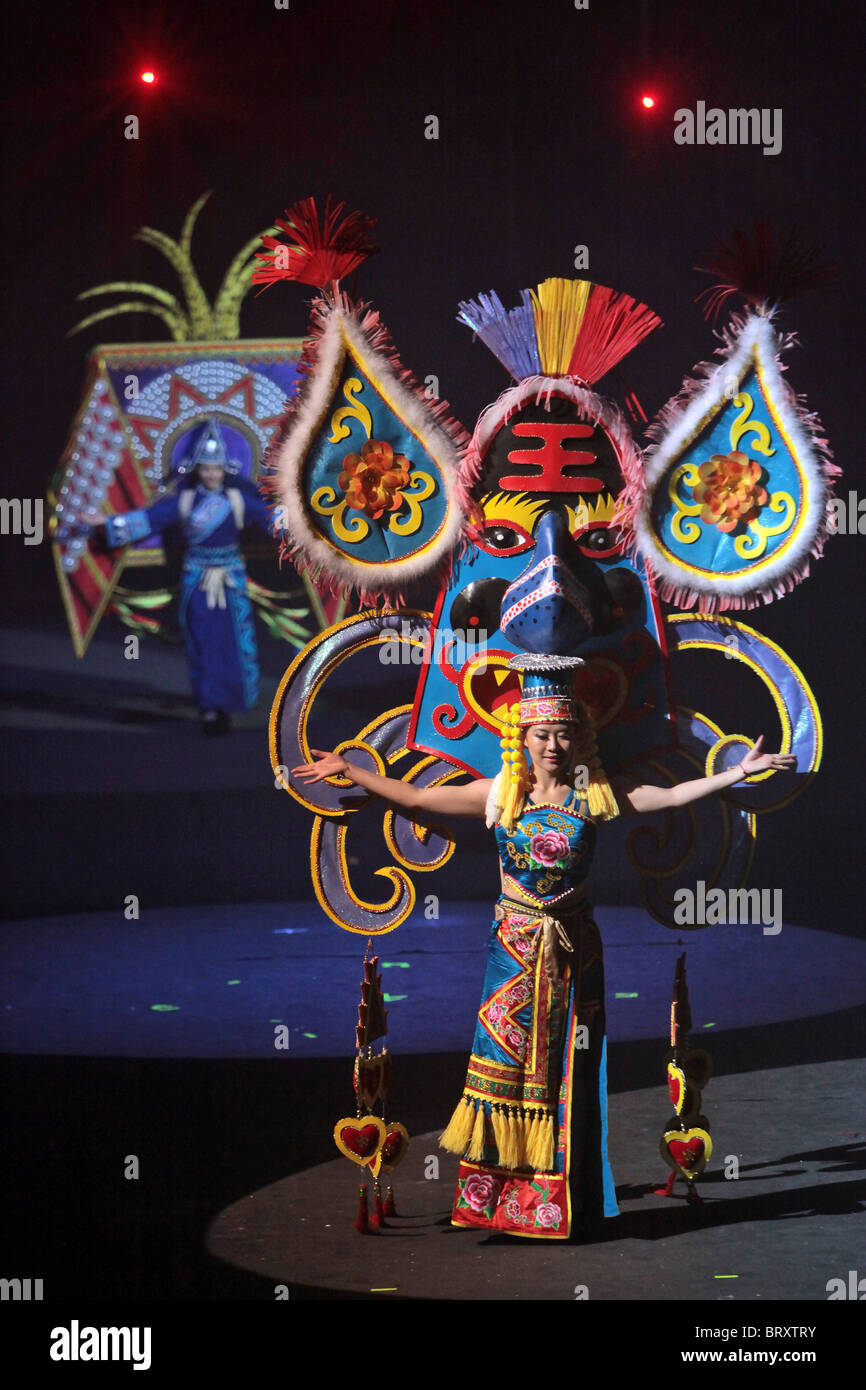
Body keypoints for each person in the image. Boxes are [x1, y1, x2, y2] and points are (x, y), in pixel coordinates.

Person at [293, 675, 794, 1241]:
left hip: (573, 953)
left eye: (563, 735)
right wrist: (352, 772)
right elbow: (415, 797)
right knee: (503, 1067)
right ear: (522, 740)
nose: (553, 745)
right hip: (513, 949)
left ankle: (558, 1197)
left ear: (579, 740)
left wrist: (738, 773)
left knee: (564, 1072)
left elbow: (673, 796)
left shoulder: (596, 795)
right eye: (542, 735)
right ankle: (496, 1198)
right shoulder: (500, 794)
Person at [99, 418, 272, 734]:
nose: (211, 474)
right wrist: (106, 525)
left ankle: (233, 701)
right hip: (197, 582)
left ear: (225, 470)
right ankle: (209, 709)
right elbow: (147, 520)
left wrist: (306, 520)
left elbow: (274, 521)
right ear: (197, 469)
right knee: (203, 644)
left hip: (231, 582)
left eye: (216, 468)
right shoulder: (185, 502)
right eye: (205, 468)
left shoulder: (237, 501)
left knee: (232, 642)